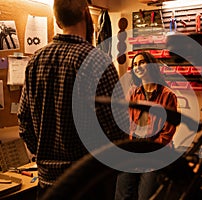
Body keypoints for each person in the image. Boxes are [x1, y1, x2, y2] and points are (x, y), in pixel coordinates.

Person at [17, 0, 127, 198]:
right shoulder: (97, 61)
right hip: (89, 184)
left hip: (49, 185)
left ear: (58, 22)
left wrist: (44, 157)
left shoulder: (35, 61)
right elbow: (118, 128)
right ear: (86, 12)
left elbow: (24, 122)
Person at [115, 51, 178, 200]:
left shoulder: (167, 95)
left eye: (142, 62)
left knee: (146, 196)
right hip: (134, 150)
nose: (138, 67)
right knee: (122, 193)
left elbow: (167, 132)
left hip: (155, 153)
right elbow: (127, 124)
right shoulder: (133, 94)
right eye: (135, 64)